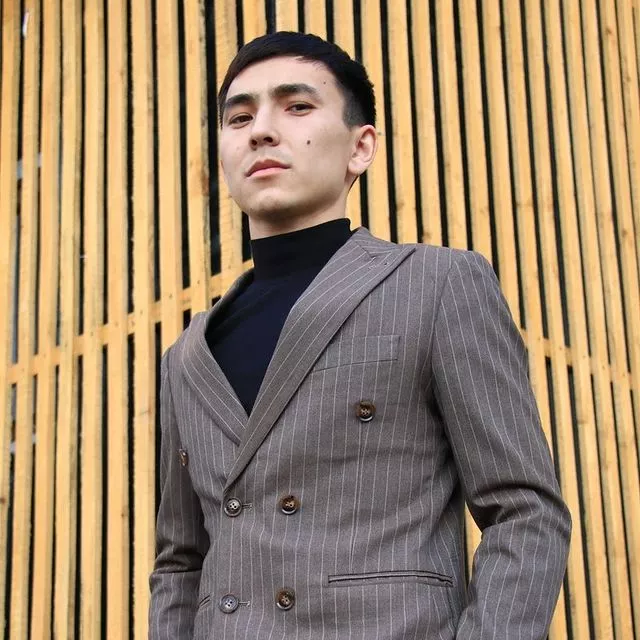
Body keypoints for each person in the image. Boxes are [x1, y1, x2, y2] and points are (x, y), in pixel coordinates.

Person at [149, 31, 571, 639]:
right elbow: (180, 563)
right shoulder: (186, 357)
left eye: (297, 106)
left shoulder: (437, 285)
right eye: (239, 117)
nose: (261, 130)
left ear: (360, 146)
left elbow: (524, 511)